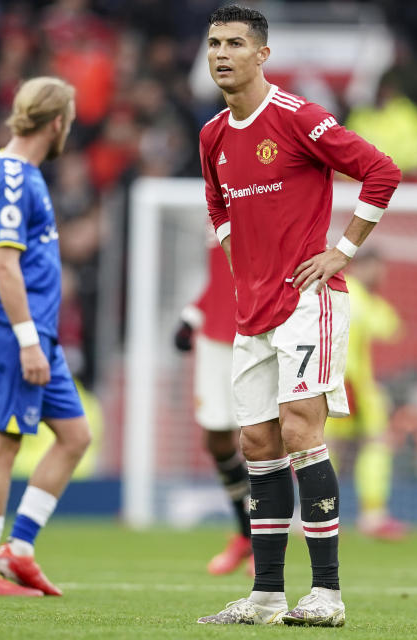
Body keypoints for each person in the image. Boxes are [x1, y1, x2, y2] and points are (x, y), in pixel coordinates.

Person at [195, 5, 401, 627]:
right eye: (213, 44)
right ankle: (264, 596)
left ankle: (329, 595)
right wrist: (241, 260)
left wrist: (341, 251)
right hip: (251, 309)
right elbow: (217, 204)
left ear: (262, 54)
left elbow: (381, 171)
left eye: (234, 43)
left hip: (307, 303)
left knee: (299, 431)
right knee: (256, 442)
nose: (220, 54)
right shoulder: (211, 136)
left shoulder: (296, 116)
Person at [0, 76, 91, 597]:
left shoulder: (16, 173)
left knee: (76, 436)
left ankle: (19, 548)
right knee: (2, 443)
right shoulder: (13, 178)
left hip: (36, 331)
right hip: (20, 331)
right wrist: (28, 340)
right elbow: (5, 266)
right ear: (57, 122)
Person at [174, 234, 252, 576]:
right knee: (217, 440)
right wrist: (192, 316)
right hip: (214, 339)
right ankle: (246, 534)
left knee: (260, 438)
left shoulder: (262, 189)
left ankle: (268, 542)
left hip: (254, 332)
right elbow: (221, 276)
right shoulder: (216, 201)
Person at [323, 250, 409, 541]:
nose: (382, 275)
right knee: (371, 443)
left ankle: (315, 513)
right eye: (378, 268)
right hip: (350, 385)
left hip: (344, 383)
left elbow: (392, 327)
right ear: (363, 266)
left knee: (327, 448)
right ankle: (371, 515)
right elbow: (388, 328)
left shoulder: (353, 295)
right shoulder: (354, 296)